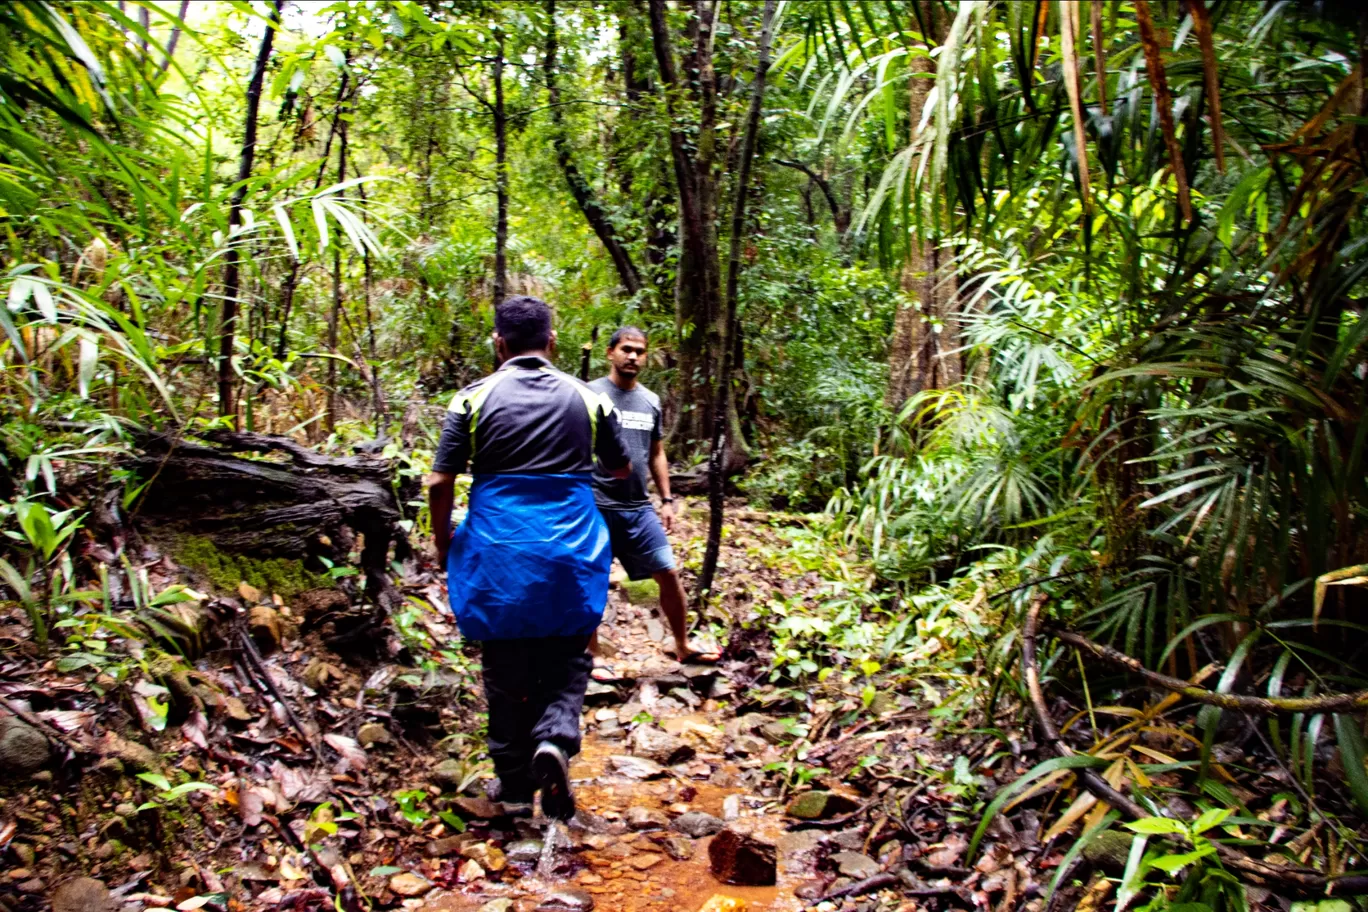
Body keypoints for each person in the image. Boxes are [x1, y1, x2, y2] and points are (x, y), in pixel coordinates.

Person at [427, 296, 631, 821]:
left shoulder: (471, 400)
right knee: (569, 654)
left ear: (499, 343)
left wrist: (444, 543)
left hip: (498, 549)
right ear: (552, 341)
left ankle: (515, 789)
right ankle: (557, 739)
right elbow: (620, 469)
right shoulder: (590, 399)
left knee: (502, 663)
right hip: (570, 547)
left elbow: (439, 480)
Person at [589, 326, 719, 670]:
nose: (632, 356)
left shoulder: (650, 401)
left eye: (639, 351)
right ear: (610, 352)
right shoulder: (588, 394)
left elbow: (657, 452)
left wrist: (666, 498)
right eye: (626, 349)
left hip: (638, 506)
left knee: (669, 573)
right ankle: (591, 653)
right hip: (595, 504)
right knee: (590, 579)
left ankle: (681, 644)